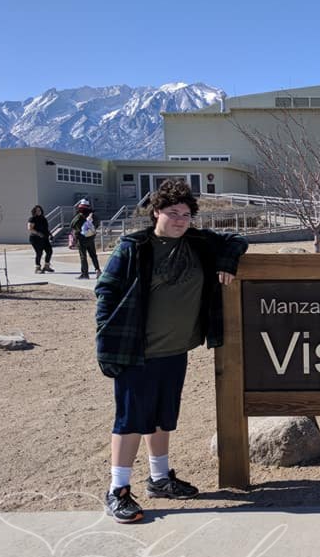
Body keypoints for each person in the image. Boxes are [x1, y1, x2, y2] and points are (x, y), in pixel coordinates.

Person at [95, 180, 248, 523]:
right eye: (173, 213)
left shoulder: (198, 243)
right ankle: (117, 489)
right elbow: (106, 291)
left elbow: (237, 240)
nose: (180, 220)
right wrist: (106, 339)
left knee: (163, 417)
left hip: (175, 349)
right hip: (137, 351)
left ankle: (160, 479)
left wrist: (226, 261)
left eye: (186, 214)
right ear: (156, 213)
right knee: (131, 419)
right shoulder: (134, 246)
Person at [70, 198, 102, 279]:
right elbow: (97, 224)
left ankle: (85, 274)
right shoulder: (93, 216)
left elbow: (72, 225)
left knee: (83, 256)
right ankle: (97, 270)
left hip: (81, 239)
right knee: (93, 255)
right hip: (90, 238)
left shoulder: (79, 216)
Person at [27, 205, 54, 274]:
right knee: (39, 253)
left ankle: (46, 266)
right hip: (35, 239)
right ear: (34, 212)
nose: (39, 212)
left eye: (40, 210)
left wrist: (50, 234)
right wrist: (38, 234)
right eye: (37, 210)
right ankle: (37, 268)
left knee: (49, 251)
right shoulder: (32, 219)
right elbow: (30, 228)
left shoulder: (43, 218)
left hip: (45, 238)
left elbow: (46, 228)